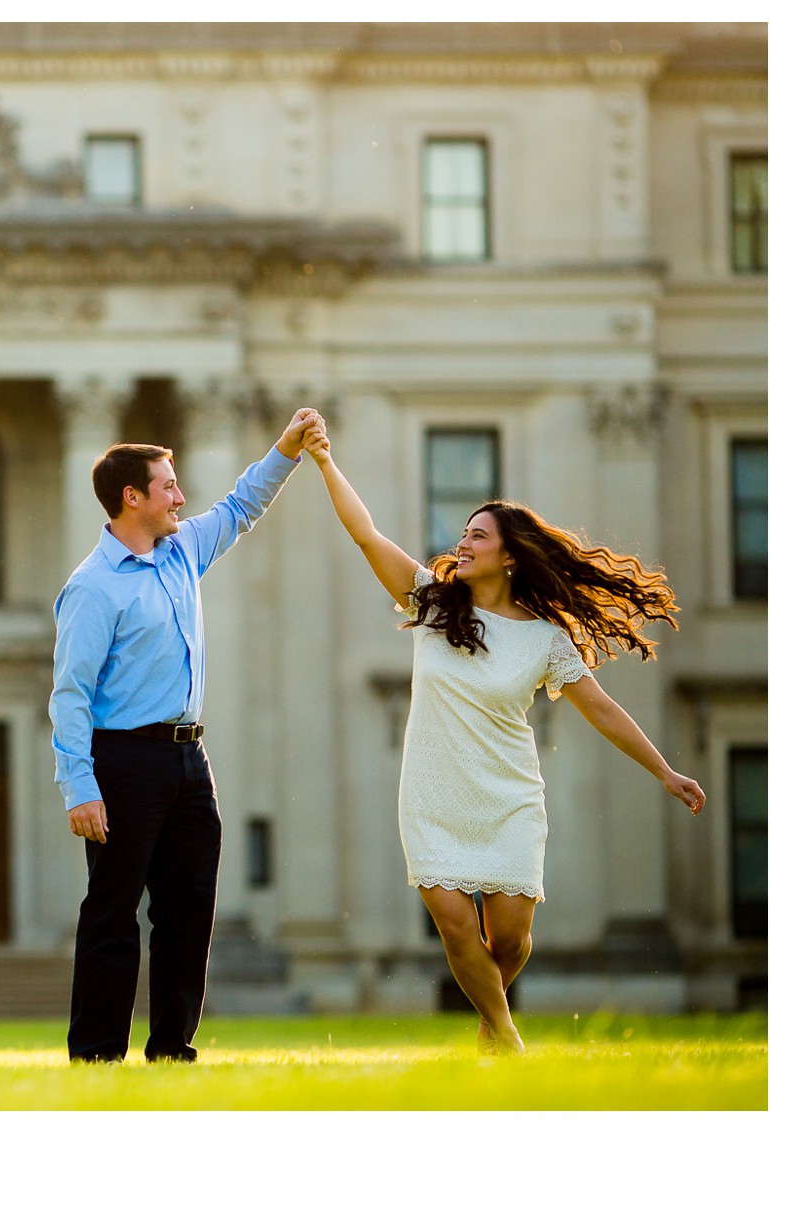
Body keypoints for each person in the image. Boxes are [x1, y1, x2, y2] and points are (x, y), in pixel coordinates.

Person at [301, 424, 705, 1054]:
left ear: (509, 555)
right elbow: (365, 534)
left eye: (477, 536)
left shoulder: (544, 639)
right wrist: (324, 461)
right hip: (433, 792)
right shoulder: (433, 604)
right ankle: (508, 1038)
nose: (462, 542)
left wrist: (665, 772)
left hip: (508, 796)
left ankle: (489, 1026)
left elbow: (601, 709)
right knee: (457, 926)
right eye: (463, 533)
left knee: (510, 938)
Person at [51, 408, 323, 1063]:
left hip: (188, 761)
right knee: (113, 915)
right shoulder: (92, 587)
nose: (181, 496)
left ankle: (172, 1046)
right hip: (121, 763)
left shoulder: (182, 552)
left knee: (189, 912)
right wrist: (78, 786)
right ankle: (96, 1055)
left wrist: (285, 450)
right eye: (169, 486)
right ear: (132, 498)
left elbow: (242, 505)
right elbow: (70, 695)